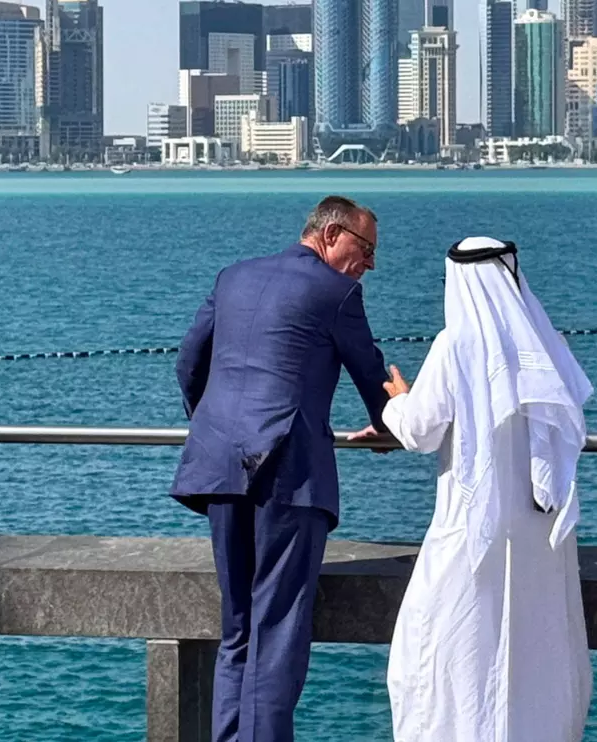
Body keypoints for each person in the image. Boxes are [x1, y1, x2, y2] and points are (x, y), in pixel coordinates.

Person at [169, 195, 392, 742]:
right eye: (365, 249)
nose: (369, 264)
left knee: (238, 631)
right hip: (289, 477)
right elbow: (373, 379)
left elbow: (189, 362)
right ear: (331, 234)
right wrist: (393, 426)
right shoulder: (338, 293)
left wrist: (216, 426)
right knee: (277, 639)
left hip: (220, 466)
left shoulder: (233, 277)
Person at [379, 236, 595, 742]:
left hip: (471, 528)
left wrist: (398, 400)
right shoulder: (546, 342)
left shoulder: (455, 344)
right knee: (534, 655)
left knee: (440, 650)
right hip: (540, 532)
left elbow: (420, 431)